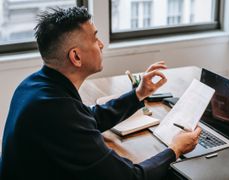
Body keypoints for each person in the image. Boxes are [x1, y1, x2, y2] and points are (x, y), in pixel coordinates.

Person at [0, 7, 201, 180]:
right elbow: (130, 177)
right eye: (96, 38)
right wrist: (175, 149)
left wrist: (138, 93)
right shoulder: (56, 111)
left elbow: (89, 117)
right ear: (76, 56)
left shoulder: (35, 85)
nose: (102, 44)